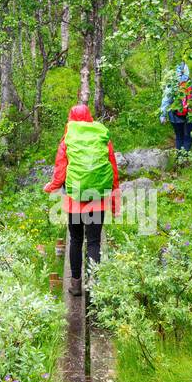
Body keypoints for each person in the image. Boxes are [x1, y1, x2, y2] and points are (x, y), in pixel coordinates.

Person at [43, 104, 120, 296]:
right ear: (89, 117)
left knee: (76, 240)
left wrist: (51, 187)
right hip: (97, 199)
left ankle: (76, 284)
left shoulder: (67, 140)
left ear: (71, 118)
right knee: (94, 242)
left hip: (75, 201)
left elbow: (60, 172)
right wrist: (114, 201)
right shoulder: (102, 137)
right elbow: (113, 170)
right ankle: (94, 285)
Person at [158, 61, 192, 157]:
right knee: (188, 136)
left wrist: (162, 115)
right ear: (187, 70)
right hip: (190, 114)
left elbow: (166, 100)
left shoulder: (172, 83)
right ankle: (185, 158)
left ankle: (179, 158)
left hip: (174, 115)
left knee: (179, 136)